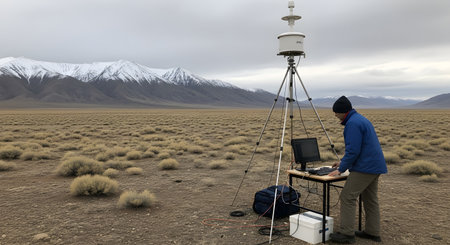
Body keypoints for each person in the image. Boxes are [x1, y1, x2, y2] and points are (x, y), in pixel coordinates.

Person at [328, 96, 387, 244]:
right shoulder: (360, 119)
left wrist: (341, 169)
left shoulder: (352, 124)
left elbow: (353, 151)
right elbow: (360, 148)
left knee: (347, 197)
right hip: (375, 165)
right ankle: (372, 232)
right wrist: (342, 162)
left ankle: (347, 234)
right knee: (370, 199)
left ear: (343, 112)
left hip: (365, 167)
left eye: (336, 112)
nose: (335, 115)